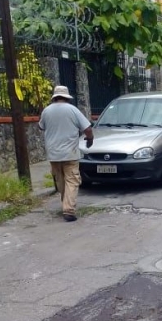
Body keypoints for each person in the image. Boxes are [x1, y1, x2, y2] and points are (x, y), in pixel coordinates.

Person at [39, 86, 94, 222]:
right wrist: (90, 138)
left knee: (60, 180)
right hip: (70, 153)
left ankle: (65, 204)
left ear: (55, 97)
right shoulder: (72, 110)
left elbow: (40, 126)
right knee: (72, 180)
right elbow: (87, 128)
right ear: (67, 97)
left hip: (53, 153)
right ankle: (68, 210)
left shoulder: (46, 110)